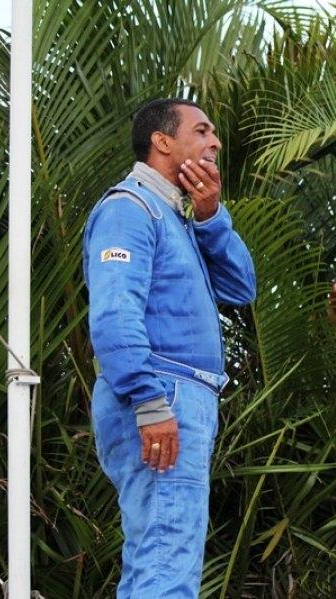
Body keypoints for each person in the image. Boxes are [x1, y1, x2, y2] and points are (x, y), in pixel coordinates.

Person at [83, 98, 257, 597]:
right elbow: (114, 315)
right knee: (165, 567)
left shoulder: (177, 218)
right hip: (162, 394)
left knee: (161, 561)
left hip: (176, 394)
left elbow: (241, 287)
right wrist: (149, 401)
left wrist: (211, 217)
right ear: (161, 141)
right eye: (201, 131)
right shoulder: (129, 209)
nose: (215, 142)